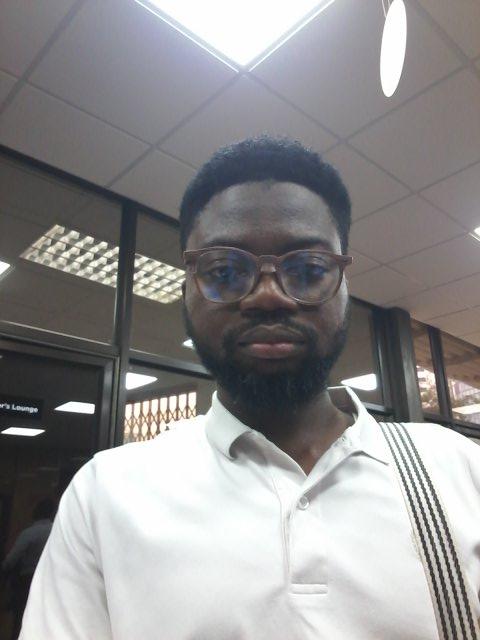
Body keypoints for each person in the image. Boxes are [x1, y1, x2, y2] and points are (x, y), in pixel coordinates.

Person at [19, 137, 480, 639]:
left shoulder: (458, 469)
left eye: (308, 269)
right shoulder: (106, 493)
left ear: (345, 283)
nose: (267, 296)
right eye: (225, 271)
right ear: (187, 286)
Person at [2, 498, 55, 640]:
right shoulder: (57, 533)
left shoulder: (29, 533)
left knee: (21, 617)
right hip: (50, 581)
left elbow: (12, 558)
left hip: (27, 580)